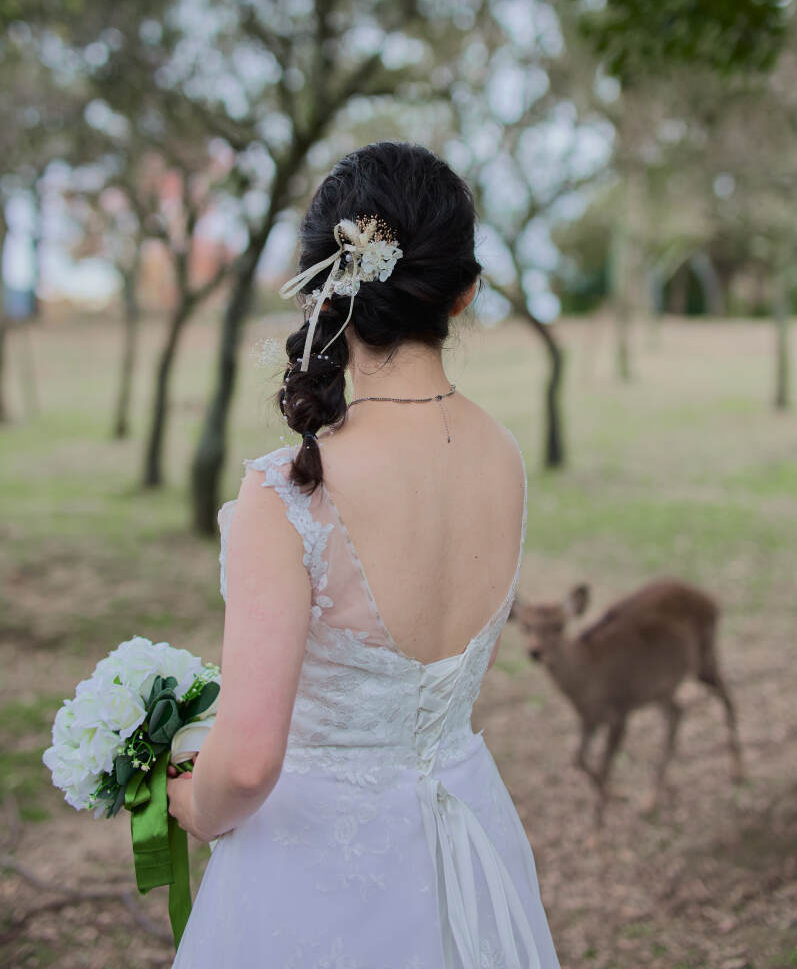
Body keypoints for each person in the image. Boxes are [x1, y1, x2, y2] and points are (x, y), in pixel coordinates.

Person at [166, 142, 561, 968]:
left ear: (321, 287)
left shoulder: (287, 494)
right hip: (470, 842)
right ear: (464, 292)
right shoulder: (504, 456)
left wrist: (191, 804)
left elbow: (247, 763)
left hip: (316, 876)